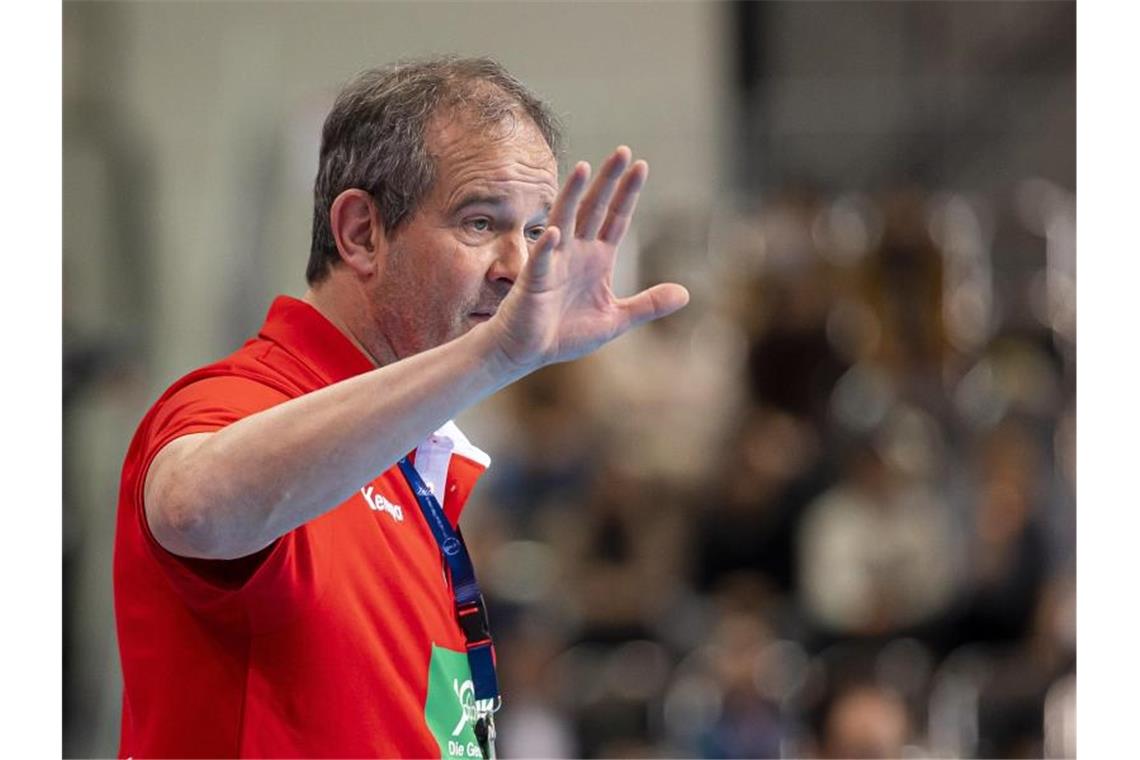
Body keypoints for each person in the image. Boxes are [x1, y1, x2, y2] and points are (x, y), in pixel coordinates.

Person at [112, 56, 688, 759]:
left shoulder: (414, 460)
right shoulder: (240, 400)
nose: (518, 268)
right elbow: (192, 508)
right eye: (482, 222)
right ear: (361, 233)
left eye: (536, 232)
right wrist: (494, 359)